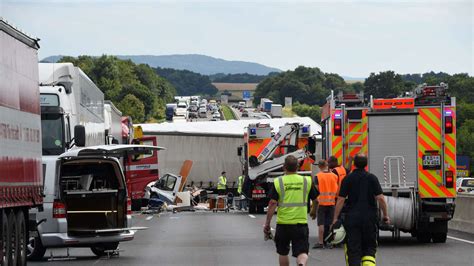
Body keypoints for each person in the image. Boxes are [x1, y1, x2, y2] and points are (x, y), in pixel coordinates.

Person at [332, 154, 390, 266]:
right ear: (366, 165)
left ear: (354, 164)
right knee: (369, 248)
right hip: (369, 219)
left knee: (353, 250)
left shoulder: (347, 179)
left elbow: (340, 200)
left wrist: (335, 218)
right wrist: (385, 215)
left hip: (352, 219)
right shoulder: (372, 178)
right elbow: (381, 199)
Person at [264, 155, 318, 266]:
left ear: (284, 167)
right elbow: (316, 200)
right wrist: (313, 211)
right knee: (302, 252)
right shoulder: (306, 181)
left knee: (283, 252)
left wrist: (267, 224)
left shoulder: (278, 181)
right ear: (297, 166)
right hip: (300, 223)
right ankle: (301, 264)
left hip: (283, 224)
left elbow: (273, 203)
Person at [310, 160, 338, 249]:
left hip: (321, 203)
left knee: (321, 223)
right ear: (327, 165)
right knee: (330, 223)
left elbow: (317, 190)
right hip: (332, 202)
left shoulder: (317, 177)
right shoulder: (334, 176)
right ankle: (329, 241)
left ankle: (321, 242)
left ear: (319, 166)